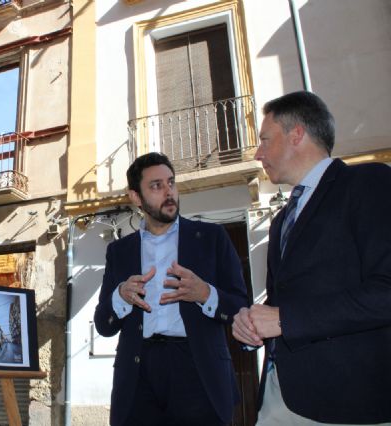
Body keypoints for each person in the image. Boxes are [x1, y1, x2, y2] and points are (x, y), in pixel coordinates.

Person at [232, 91, 391, 425]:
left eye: (264, 140)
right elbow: (281, 304)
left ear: (297, 135)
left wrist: (285, 320)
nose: (258, 153)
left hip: (347, 404)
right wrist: (252, 328)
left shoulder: (368, 184)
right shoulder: (279, 222)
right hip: (278, 397)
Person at [94, 152, 248, 426]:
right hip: (139, 375)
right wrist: (121, 297)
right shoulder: (119, 252)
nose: (169, 192)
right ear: (136, 197)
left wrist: (205, 294)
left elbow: (240, 309)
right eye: (156, 186)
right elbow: (103, 325)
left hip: (197, 371)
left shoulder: (212, 238)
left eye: (171, 183)